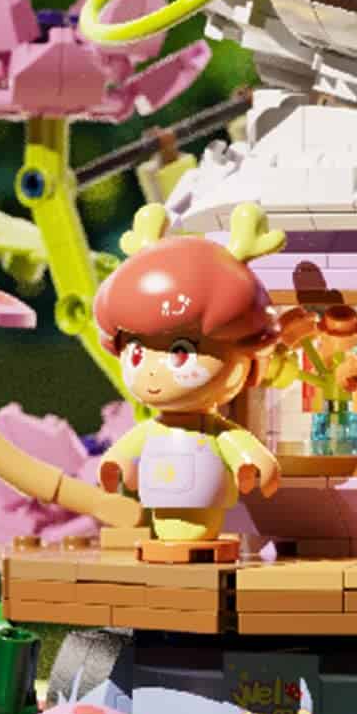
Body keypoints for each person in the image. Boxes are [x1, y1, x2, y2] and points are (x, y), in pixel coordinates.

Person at [91, 200, 284, 554]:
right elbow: (129, 447)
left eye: (180, 352)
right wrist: (116, 462)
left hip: (208, 515)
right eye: (137, 352)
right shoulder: (154, 429)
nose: (153, 370)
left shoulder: (215, 431)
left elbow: (237, 443)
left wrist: (256, 463)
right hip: (159, 515)